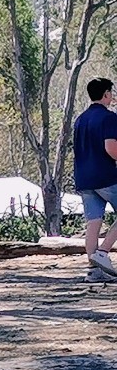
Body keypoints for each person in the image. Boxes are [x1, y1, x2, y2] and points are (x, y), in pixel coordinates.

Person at [73, 78, 117, 278]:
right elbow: (111, 148)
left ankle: (93, 270)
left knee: (93, 222)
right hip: (105, 176)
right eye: (111, 92)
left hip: (84, 178)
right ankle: (103, 252)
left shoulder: (80, 119)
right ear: (106, 94)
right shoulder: (109, 118)